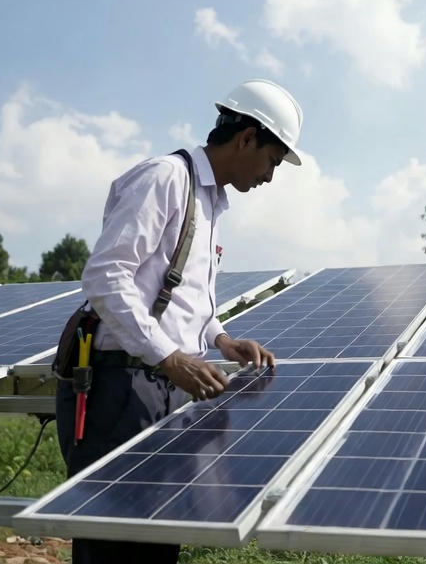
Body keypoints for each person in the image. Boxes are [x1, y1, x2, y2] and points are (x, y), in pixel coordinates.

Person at [55, 78, 303, 563]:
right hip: (122, 386)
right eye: (273, 160)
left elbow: (182, 296)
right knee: (113, 540)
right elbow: (106, 276)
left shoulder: (211, 201)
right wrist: (170, 357)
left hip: (162, 383)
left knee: (157, 536)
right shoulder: (166, 178)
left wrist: (221, 339)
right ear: (247, 136)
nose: (271, 176)